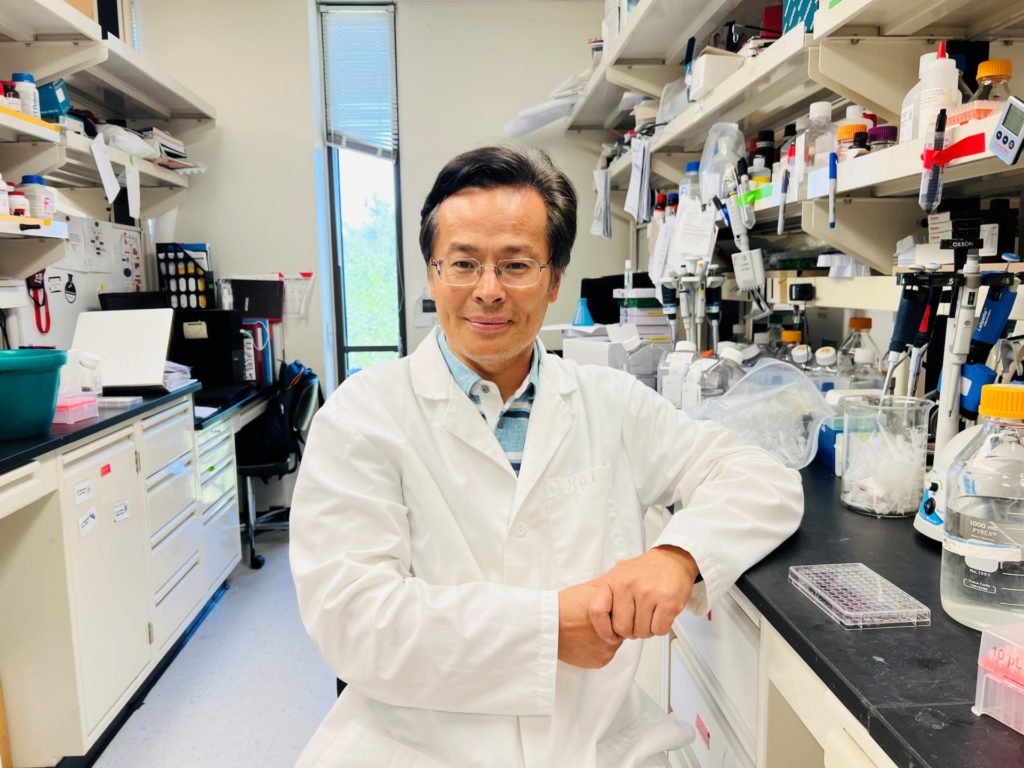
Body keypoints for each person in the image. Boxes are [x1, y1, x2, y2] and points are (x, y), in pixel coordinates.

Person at [290, 146, 803, 768]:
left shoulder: (607, 402)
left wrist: (679, 555)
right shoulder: (362, 417)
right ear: (432, 275)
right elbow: (355, 620)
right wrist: (549, 627)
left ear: (555, 280)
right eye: (463, 264)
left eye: (516, 265)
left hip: (592, 746)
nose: (487, 292)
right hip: (416, 750)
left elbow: (761, 479)